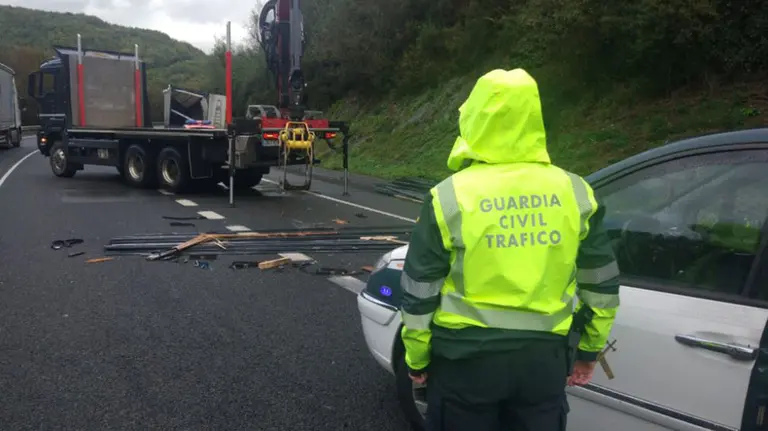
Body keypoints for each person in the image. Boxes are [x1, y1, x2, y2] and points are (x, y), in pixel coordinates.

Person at [399, 68, 621, 431]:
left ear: (474, 118)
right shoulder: (576, 192)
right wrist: (588, 350)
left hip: (465, 362)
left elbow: (420, 289)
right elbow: (601, 286)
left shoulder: (449, 196)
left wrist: (417, 357)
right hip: (543, 363)